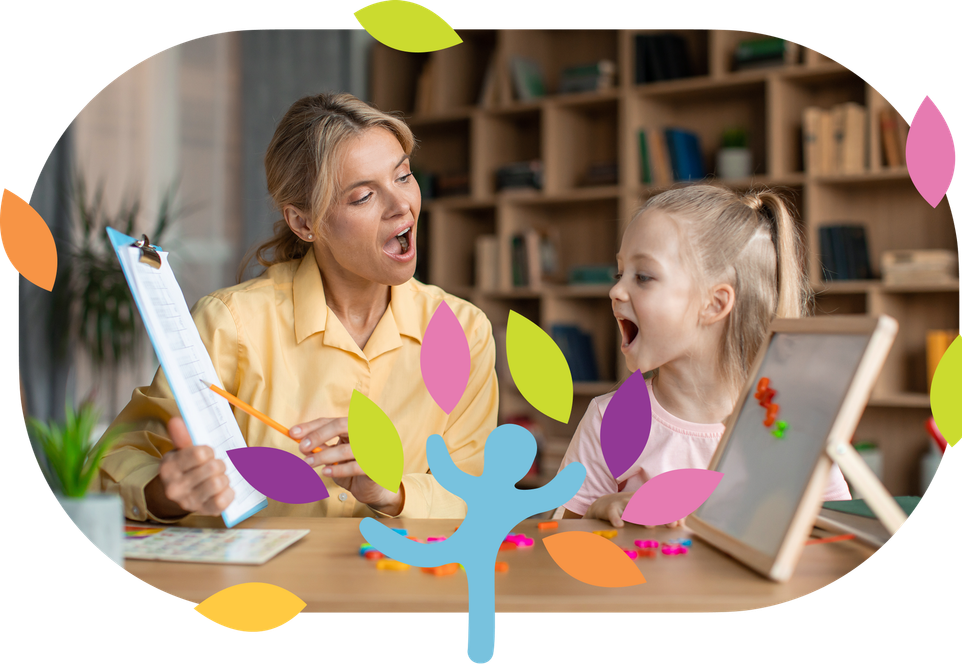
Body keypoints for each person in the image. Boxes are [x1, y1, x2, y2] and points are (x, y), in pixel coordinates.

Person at [98, 92, 499, 523]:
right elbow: (111, 465)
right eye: (363, 196)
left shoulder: (462, 329)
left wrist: (393, 491)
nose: (401, 205)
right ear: (304, 223)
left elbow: (480, 494)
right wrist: (165, 491)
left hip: (405, 584)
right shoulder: (229, 325)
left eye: (403, 176)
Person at [555, 183, 851, 527]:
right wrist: (597, 511)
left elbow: (837, 537)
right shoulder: (610, 420)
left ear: (715, 304)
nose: (616, 290)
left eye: (644, 276)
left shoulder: (789, 425)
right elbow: (559, 537)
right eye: (619, 274)